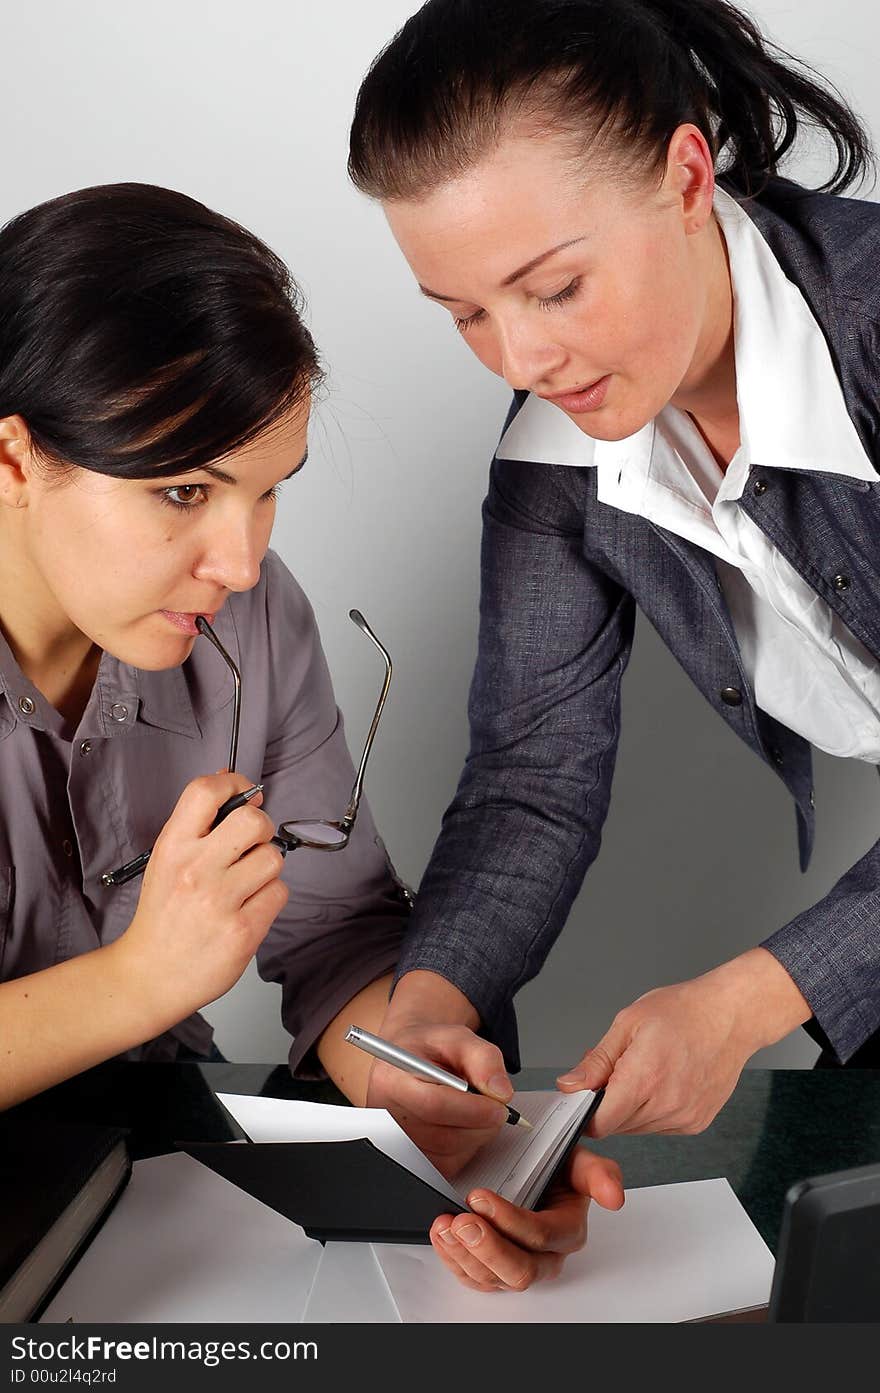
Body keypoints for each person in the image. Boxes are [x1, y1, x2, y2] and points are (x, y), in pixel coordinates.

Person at [0, 180, 623, 1290]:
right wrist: (139, 982)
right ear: (14, 458)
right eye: (185, 492)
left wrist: (410, 1081)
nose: (239, 563)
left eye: (266, 491)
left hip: (161, 1185)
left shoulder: (249, 614)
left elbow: (336, 937)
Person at [347, 0, 880, 1288]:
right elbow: (530, 782)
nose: (521, 356)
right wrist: (431, 1004)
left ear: (687, 175)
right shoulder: (552, 457)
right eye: (461, 311)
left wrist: (749, 999)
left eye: (555, 286)